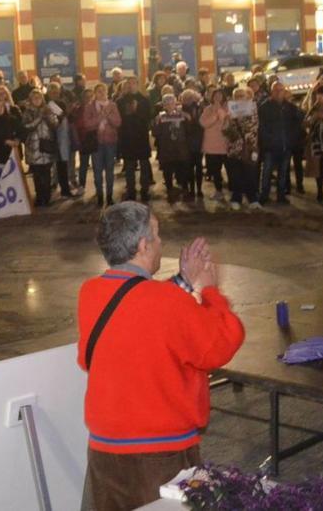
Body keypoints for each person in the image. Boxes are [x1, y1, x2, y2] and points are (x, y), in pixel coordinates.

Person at [78, 203, 244, 511]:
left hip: (104, 452)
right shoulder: (166, 302)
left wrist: (183, 280)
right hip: (161, 455)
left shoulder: (90, 293)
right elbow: (222, 342)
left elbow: (134, 307)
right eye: (156, 234)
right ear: (142, 245)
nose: (160, 242)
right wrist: (210, 291)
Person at [257, 82, 301, 204]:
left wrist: (292, 139)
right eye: (276, 90)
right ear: (271, 91)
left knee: (283, 173)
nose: (278, 92)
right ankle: (264, 195)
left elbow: (297, 123)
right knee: (266, 172)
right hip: (270, 147)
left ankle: (281, 196)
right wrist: (267, 140)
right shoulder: (264, 107)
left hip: (285, 145)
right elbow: (261, 127)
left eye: (281, 90)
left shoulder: (290, 107)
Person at [81, 84, 121, 207]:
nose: (102, 93)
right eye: (99, 91)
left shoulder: (112, 105)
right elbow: (87, 124)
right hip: (96, 142)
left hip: (110, 141)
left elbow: (118, 122)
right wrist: (100, 117)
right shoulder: (89, 107)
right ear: (95, 93)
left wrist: (108, 116)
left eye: (103, 91)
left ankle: (109, 196)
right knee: (97, 170)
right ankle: (99, 195)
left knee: (110, 169)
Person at [223, 87, 260, 210]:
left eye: (242, 95)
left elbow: (252, 127)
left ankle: (252, 199)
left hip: (248, 147)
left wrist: (239, 119)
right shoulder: (230, 110)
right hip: (234, 149)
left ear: (247, 97)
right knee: (235, 175)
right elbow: (225, 131)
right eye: (237, 96)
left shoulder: (252, 109)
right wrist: (227, 120)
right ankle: (236, 198)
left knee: (250, 173)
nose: (239, 98)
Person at [116, 78, 153, 202]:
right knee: (130, 167)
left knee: (144, 165)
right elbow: (119, 119)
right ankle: (130, 190)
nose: (131, 86)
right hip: (127, 137)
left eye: (133, 83)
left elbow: (148, 117)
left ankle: (145, 190)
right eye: (129, 84)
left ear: (137, 85)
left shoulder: (144, 100)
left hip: (141, 136)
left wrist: (137, 110)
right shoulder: (120, 101)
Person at [21, 89, 59, 207]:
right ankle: (39, 197)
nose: (37, 100)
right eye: (34, 98)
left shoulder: (48, 109)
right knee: (37, 175)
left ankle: (47, 197)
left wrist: (48, 116)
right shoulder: (27, 112)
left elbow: (55, 125)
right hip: (33, 148)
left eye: (39, 97)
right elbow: (26, 127)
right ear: (31, 100)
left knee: (47, 174)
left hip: (46, 146)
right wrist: (39, 118)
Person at [152, 94, 190, 203]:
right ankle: (169, 189)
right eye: (167, 104)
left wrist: (187, 117)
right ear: (164, 105)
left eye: (171, 103)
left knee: (182, 170)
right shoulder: (160, 117)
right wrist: (157, 122)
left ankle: (184, 189)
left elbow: (188, 130)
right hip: (166, 148)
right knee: (167, 171)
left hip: (180, 148)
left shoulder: (181, 115)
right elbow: (155, 133)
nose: (169, 106)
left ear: (175, 104)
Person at [199, 88, 229, 201]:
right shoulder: (208, 109)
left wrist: (220, 112)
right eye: (215, 95)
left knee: (230, 170)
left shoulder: (229, 108)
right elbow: (203, 123)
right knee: (215, 171)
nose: (217, 97)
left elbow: (227, 122)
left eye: (220, 95)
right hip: (212, 145)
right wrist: (215, 115)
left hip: (226, 144)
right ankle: (218, 190)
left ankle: (234, 192)